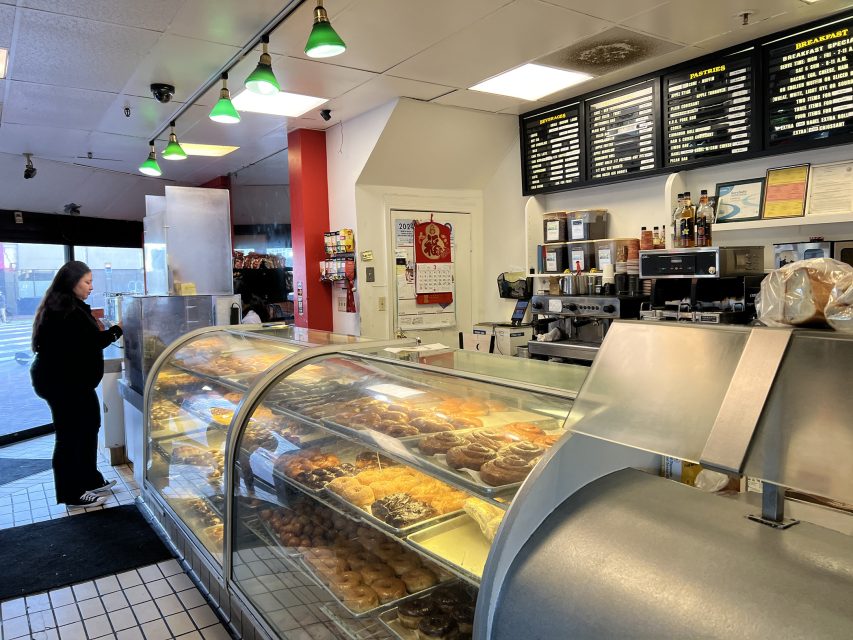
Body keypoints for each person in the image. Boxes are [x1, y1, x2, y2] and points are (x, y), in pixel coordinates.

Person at [30, 261, 123, 509]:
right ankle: (71, 493)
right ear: (72, 283)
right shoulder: (65, 309)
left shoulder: (69, 305)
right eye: (87, 282)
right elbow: (91, 343)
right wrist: (117, 330)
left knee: (90, 424)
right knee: (70, 436)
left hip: (74, 382)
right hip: (61, 382)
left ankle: (89, 479)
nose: (91, 287)